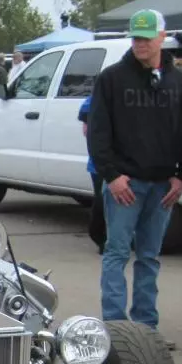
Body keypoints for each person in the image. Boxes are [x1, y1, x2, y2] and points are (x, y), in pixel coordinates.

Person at [86, 10, 182, 346]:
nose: (140, 44)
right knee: (117, 253)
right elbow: (98, 132)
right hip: (126, 184)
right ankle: (118, 331)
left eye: (147, 37)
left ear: (162, 37)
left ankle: (147, 329)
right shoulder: (111, 79)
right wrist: (112, 176)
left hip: (163, 185)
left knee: (149, 257)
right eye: (136, 37)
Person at [78, 95, 105, 253]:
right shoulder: (107, 87)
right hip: (101, 164)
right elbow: (86, 110)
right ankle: (100, 237)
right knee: (103, 201)